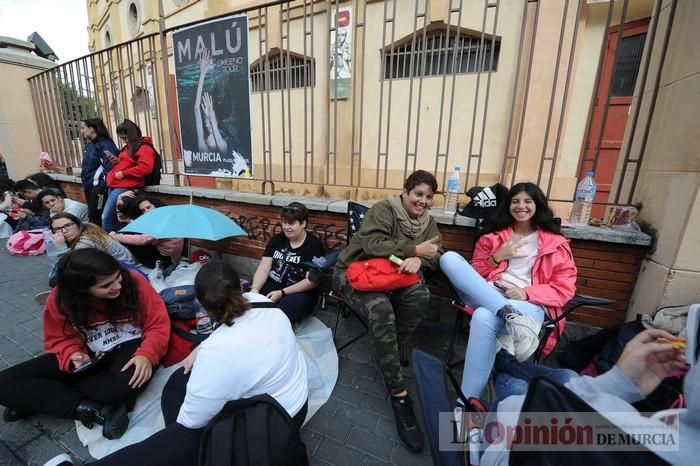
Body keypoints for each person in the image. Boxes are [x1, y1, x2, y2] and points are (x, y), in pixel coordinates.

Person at [44, 260, 309, 466]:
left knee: (178, 432)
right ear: (240, 287)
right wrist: (202, 347)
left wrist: (177, 439)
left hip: (269, 424)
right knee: (180, 378)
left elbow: (192, 420)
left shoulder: (218, 354)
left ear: (201, 305)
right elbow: (236, 332)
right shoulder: (263, 302)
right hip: (295, 403)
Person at [0, 249, 169, 440]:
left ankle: (42, 397)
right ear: (81, 290)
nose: (117, 286)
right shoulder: (60, 299)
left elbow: (158, 323)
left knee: (123, 386)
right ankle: (90, 408)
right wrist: (72, 353)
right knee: (4, 383)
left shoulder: (134, 282)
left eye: (117, 277)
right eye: (106, 285)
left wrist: (147, 354)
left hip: (131, 345)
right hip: (87, 350)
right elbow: (58, 337)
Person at [332, 169, 443, 453]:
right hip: (355, 272)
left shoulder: (428, 224)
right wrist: (414, 251)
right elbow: (371, 246)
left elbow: (437, 254)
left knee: (421, 294)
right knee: (381, 310)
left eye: (429, 196)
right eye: (418, 194)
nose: (423, 201)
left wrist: (421, 262)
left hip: (394, 279)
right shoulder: (384, 210)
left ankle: (389, 350)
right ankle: (399, 394)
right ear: (405, 192)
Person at [440, 182, 577, 404]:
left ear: (537, 205)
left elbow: (565, 288)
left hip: (527, 306)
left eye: (527, 201)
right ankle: (506, 313)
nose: (520, 206)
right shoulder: (492, 237)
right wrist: (496, 257)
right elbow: (472, 275)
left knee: (484, 316)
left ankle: (465, 403)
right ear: (508, 205)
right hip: (488, 293)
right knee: (448, 259)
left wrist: (526, 292)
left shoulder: (556, 243)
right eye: (515, 201)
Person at [479, 329, 694, 465]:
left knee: (515, 387)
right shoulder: (668, 434)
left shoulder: (632, 434)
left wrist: (614, 384)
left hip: (498, 445)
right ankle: (504, 362)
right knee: (568, 375)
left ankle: (499, 364)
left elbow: (512, 420)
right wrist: (617, 385)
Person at [249, 202, 325, 324]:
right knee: (247, 306)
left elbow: (311, 281)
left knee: (277, 318)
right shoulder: (277, 240)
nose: (286, 227)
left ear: (303, 223)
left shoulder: (314, 246)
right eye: (284, 223)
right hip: (272, 285)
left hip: (299, 292)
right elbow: (264, 267)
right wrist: (255, 289)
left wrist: (282, 293)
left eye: (291, 223)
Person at [102, 119, 157, 232]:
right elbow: (130, 163)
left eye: (125, 138)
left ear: (132, 135)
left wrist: (124, 173)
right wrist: (117, 162)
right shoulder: (130, 147)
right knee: (113, 217)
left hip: (125, 186)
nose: (124, 141)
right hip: (117, 184)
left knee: (106, 217)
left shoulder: (143, 148)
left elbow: (145, 168)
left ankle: (109, 245)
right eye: (122, 138)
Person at [110, 195, 184, 268]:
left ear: (155, 205)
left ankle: (120, 257)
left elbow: (144, 240)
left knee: (130, 233)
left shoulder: (162, 221)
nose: (147, 212)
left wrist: (117, 236)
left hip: (164, 262)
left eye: (148, 207)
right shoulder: (164, 215)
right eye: (143, 210)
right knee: (128, 227)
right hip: (167, 257)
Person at [50, 213, 136, 265]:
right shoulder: (87, 227)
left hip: (124, 268)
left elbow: (72, 265)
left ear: (77, 224)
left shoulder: (84, 242)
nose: (64, 231)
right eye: (58, 229)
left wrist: (61, 248)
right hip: (122, 262)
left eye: (68, 225)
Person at [80, 118, 117, 226]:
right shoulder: (89, 146)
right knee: (92, 216)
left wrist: (102, 185)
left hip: (100, 188)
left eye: (83, 128)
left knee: (97, 217)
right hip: (89, 187)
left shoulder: (106, 145)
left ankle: (101, 241)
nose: (81, 131)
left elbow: (111, 167)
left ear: (92, 129)